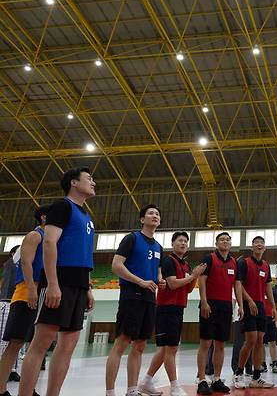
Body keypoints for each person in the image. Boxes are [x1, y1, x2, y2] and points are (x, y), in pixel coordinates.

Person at [18, 168, 96, 396]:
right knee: (41, 344)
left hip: (80, 284)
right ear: (73, 182)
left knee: (67, 347)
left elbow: (84, 252)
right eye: (88, 179)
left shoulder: (86, 216)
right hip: (60, 280)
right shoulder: (61, 207)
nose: (93, 182)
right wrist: (52, 284)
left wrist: (88, 287)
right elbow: (49, 244)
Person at [105, 204, 164, 396]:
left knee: (140, 345)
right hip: (132, 294)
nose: (154, 216)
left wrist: (160, 280)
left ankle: (132, 390)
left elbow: (157, 271)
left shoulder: (158, 247)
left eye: (157, 214)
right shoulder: (131, 238)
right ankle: (110, 392)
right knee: (122, 342)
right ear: (142, 219)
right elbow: (116, 265)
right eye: (150, 213)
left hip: (149, 298)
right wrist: (140, 281)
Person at [138, 231, 206, 396]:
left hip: (178, 308)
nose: (183, 243)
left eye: (185, 241)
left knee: (164, 349)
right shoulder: (169, 260)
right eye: (180, 240)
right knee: (171, 349)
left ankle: (146, 382)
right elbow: (173, 284)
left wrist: (194, 276)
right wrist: (193, 276)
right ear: (173, 243)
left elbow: (188, 289)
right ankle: (174, 386)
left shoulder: (185, 264)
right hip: (166, 308)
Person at [0, 206, 48, 396]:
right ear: (44, 217)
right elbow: (26, 263)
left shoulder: (53, 239)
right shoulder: (34, 236)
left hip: (42, 294)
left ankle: (29, 389)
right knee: (15, 343)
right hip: (27, 294)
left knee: (37, 346)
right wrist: (30, 289)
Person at [195, 232, 240, 395]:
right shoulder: (209, 258)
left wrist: (240, 306)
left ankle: (216, 379)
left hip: (226, 307)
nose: (225, 242)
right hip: (210, 305)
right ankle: (201, 380)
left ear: (231, 243)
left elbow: (237, 286)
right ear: (216, 243)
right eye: (222, 239)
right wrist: (204, 301)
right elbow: (202, 280)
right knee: (205, 344)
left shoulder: (234, 262)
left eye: (228, 239)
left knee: (220, 344)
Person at [233, 236, 275, 389]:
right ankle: (238, 373)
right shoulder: (244, 263)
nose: (259, 245)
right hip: (248, 303)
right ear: (252, 247)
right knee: (251, 340)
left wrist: (273, 306)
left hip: (261, 305)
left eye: (262, 243)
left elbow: (268, 286)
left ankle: (256, 378)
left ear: (265, 248)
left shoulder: (265, 265)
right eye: (256, 243)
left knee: (260, 341)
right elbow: (238, 285)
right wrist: (249, 301)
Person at [262, 292, 277, 373]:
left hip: (271, 319)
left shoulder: (272, 292)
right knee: (260, 343)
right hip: (261, 318)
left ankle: (274, 363)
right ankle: (262, 364)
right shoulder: (259, 290)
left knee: (272, 342)